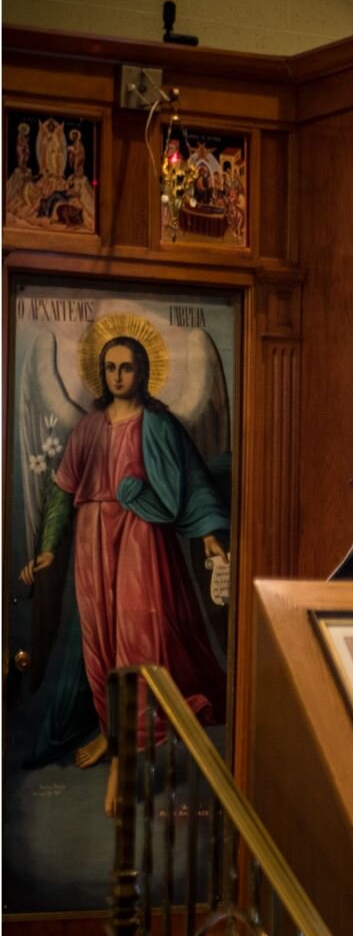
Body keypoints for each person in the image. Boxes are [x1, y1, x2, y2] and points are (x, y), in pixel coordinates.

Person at [19, 336, 229, 786]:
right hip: (93, 538)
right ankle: (113, 732)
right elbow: (62, 489)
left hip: (142, 536)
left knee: (139, 636)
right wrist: (50, 547)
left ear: (142, 372)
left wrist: (210, 535)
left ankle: (134, 741)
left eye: (127, 368)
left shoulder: (159, 423)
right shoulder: (90, 427)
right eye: (111, 368)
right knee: (101, 638)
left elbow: (192, 480)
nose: (118, 376)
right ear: (102, 371)